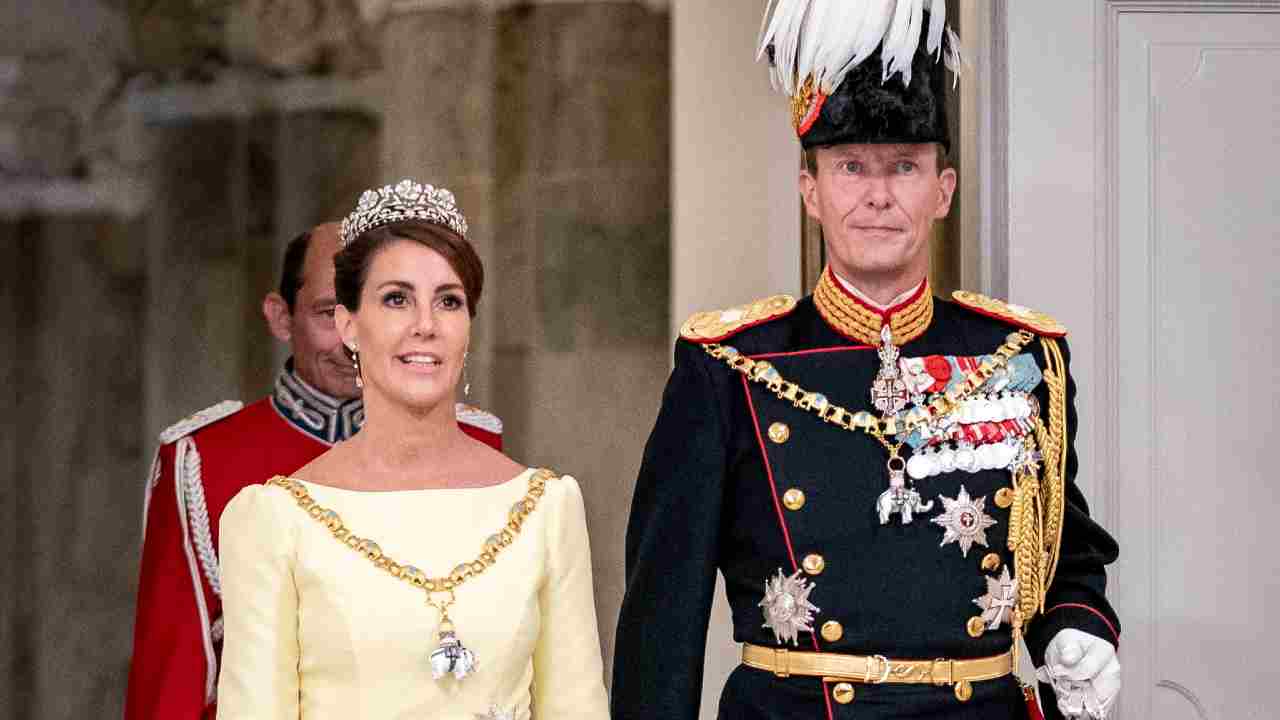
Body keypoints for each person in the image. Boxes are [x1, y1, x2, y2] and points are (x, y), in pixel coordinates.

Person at [611, 2, 1120, 719]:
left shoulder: (1019, 355)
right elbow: (664, 610)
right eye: (851, 167)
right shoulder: (728, 367)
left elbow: (1060, 550)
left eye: (904, 167)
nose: (878, 196)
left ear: (943, 190)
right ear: (811, 191)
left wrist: (1077, 628)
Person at [214, 180, 610, 719]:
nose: (426, 325)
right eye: (396, 299)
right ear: (349, 325)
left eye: (449, 301)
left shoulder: (546, 508)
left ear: (468, 325)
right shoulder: (274, 519)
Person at [124, 221, 504, 720]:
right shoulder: (205, 458)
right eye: (329, 313)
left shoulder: (476, 443)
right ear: (281, 318)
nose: (353, 339)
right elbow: (171, 682)